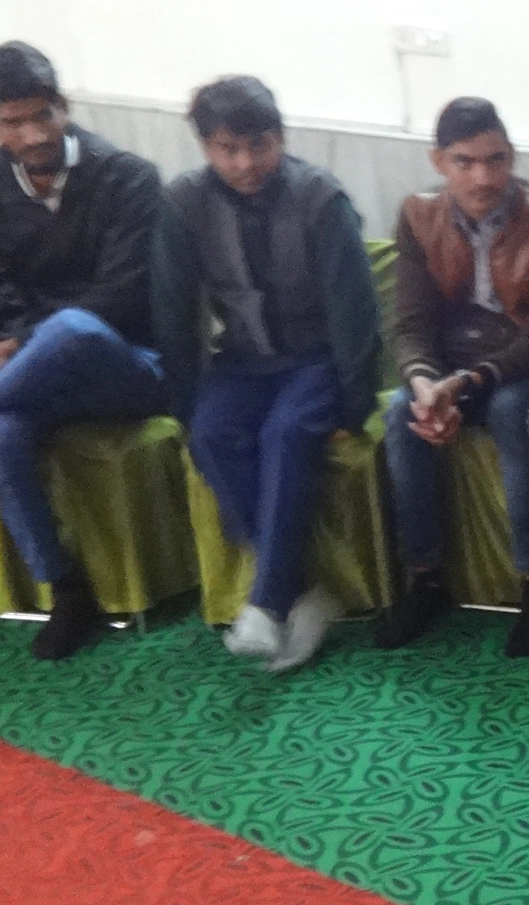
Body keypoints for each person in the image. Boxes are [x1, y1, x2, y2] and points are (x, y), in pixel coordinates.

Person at [0, 42, 172, 660]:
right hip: (38, 378)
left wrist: (8, 351)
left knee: (76, 328)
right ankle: (66, 589)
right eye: (13, 122)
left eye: (42, 116)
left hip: (134, 364)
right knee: (0, 435)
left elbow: (122, 296)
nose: (32, 135)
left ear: (63, 106)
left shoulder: (128, 177)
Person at [155, 75, 379, 672]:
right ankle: (301, 591)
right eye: (228, 149)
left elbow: (354, 309)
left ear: (280, 137)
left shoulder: (320, 198)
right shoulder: (183, 203)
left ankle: (269, 603)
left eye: (259, 145)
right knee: (209, 435)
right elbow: (173, 308)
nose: (246, 163)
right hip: (241, 361)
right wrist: (185, 399)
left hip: (315, 360)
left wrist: (354, 403)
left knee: (287, 433)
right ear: (205, 147)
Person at [373, 97, 529, 659]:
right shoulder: (418, 215)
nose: (483, 177)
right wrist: (425, 383)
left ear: (511, 156)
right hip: (451, 364)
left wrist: (466, 383)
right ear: (438, 161)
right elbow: (410, 323)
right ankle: (425, 578)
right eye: (464, 162)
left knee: (512, 411)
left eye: (495, 160)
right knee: (401, 413)